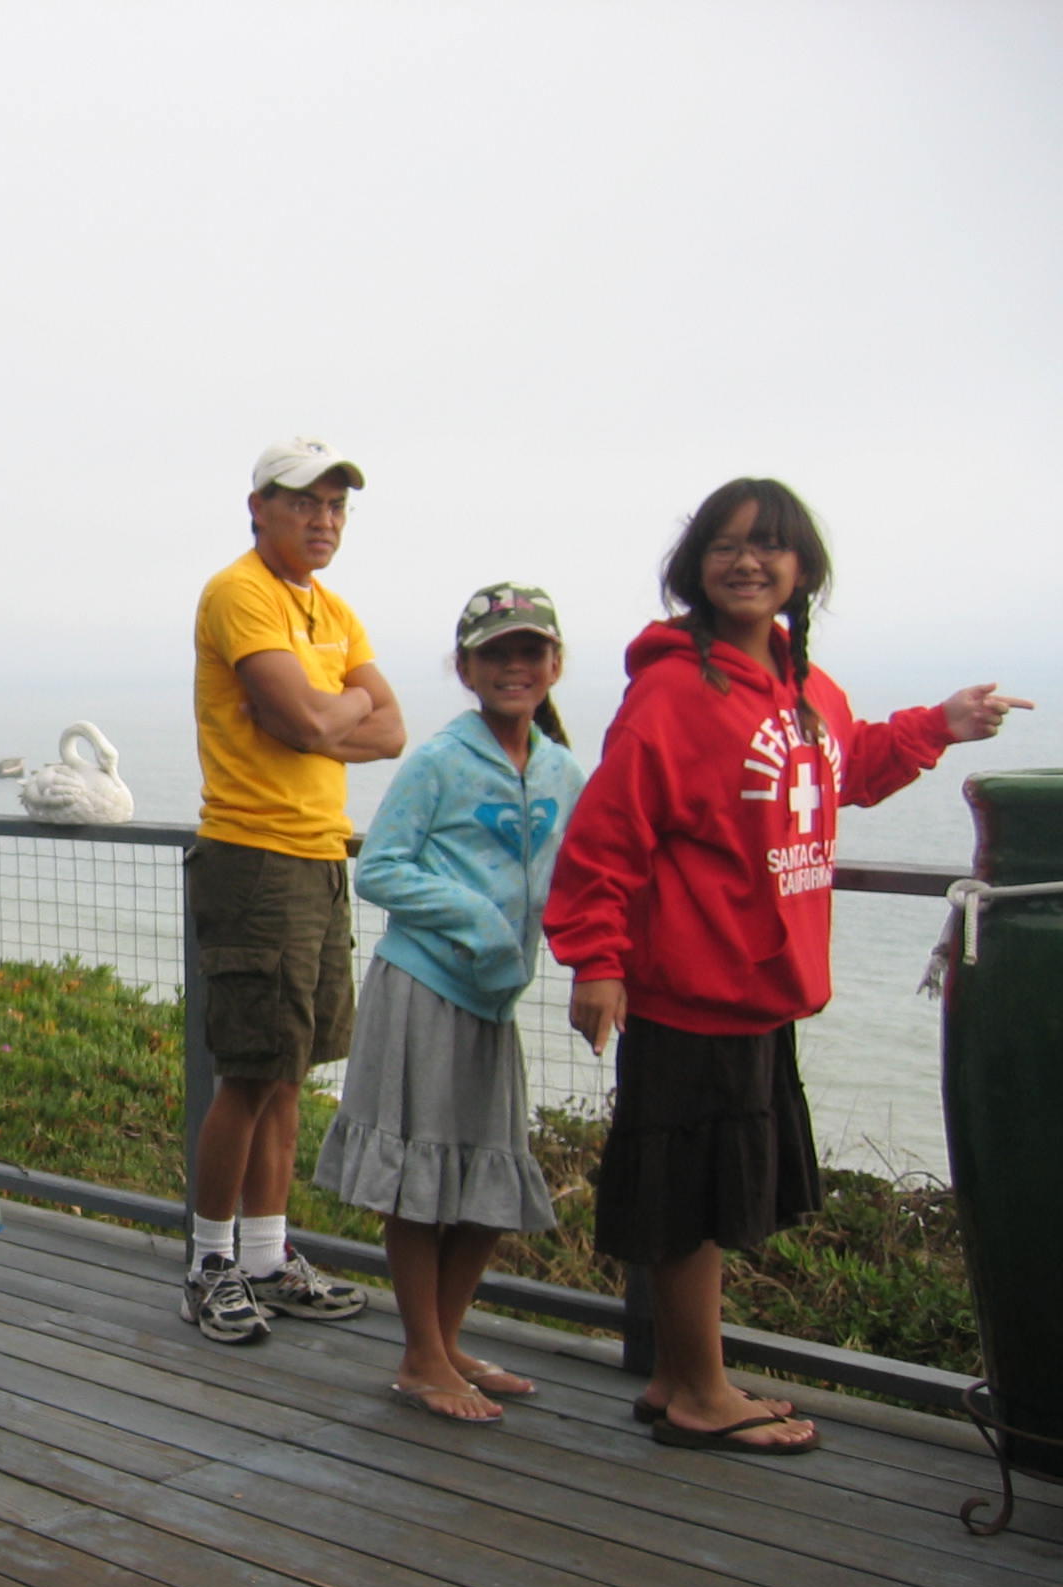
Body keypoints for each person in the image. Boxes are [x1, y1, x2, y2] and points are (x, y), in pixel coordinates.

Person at [543, 476, 1030, 1453]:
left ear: (801, 568)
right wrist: (597, 961)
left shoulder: (806, 687)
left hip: (762, 987)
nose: (746, 561)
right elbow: (607, 836)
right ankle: (701, 1395)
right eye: (724, 545)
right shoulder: (674, 692)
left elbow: (844, 767)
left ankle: (680, 1375)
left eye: (768, 544)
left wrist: (939, 724)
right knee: (691, 1200)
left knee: (709, 1194)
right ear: (695, 568)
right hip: (693, 985)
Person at [313, 584, 585, 1420]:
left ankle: (446, 1340)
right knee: (419, 1177)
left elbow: (578, 880)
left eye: (530, 651)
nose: (514, 666)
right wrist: (477, 920)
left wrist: (603, 962)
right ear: (465, 668)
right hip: (423, 987)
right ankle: (422, 1357)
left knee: (488, 1177)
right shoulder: (438, 760)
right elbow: (380, 868)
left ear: (555, 665)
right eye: (496, 653)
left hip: (494, 1002)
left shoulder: (563, 770)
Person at [183, 435, 406, 1343]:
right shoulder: (240, 593)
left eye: (336, 505)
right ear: (259, 508)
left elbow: (389, 730)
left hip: (319, 858)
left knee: (288, 1074)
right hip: (254, 858)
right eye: (305, 501)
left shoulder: (332, 610)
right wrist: (328, 714)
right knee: (248, 1074)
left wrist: (319, 721)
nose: (324, 519)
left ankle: (268, 1258)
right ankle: (209, 1263)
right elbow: (321, 718)